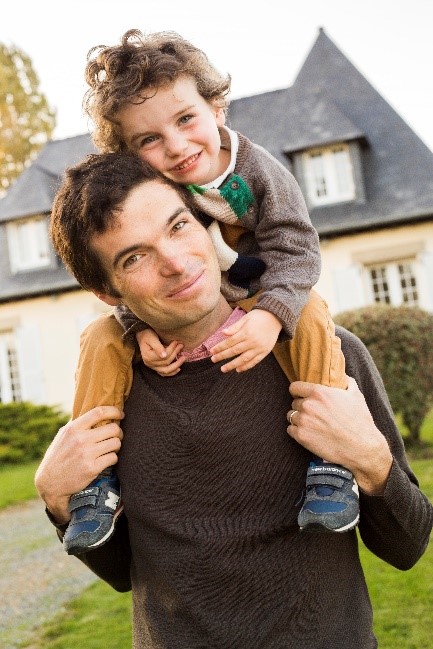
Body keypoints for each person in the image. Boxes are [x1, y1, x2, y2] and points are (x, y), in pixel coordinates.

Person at [35, 151, 433, 649]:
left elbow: (408, 545)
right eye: (134, 257)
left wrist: (372, 463)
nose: (176, 264)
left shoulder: (326, 356)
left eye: (178, 226)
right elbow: (123, 575)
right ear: (107, 292)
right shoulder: (111, 395)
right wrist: (58, 501)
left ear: (208, 224)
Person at [62, 29, 355, 555]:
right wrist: (139, 324)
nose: (175, 147)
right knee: (101, 336)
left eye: (185, 119)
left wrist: (269, 315)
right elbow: (143, 271)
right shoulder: (162, 190)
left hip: (268, 291)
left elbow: (297, 246)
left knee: (310, 312)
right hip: (204, 308)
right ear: (130, 156)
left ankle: (331, 466)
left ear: (217, 106)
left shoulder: (256, 170)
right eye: (148, 141)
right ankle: (94, 485)